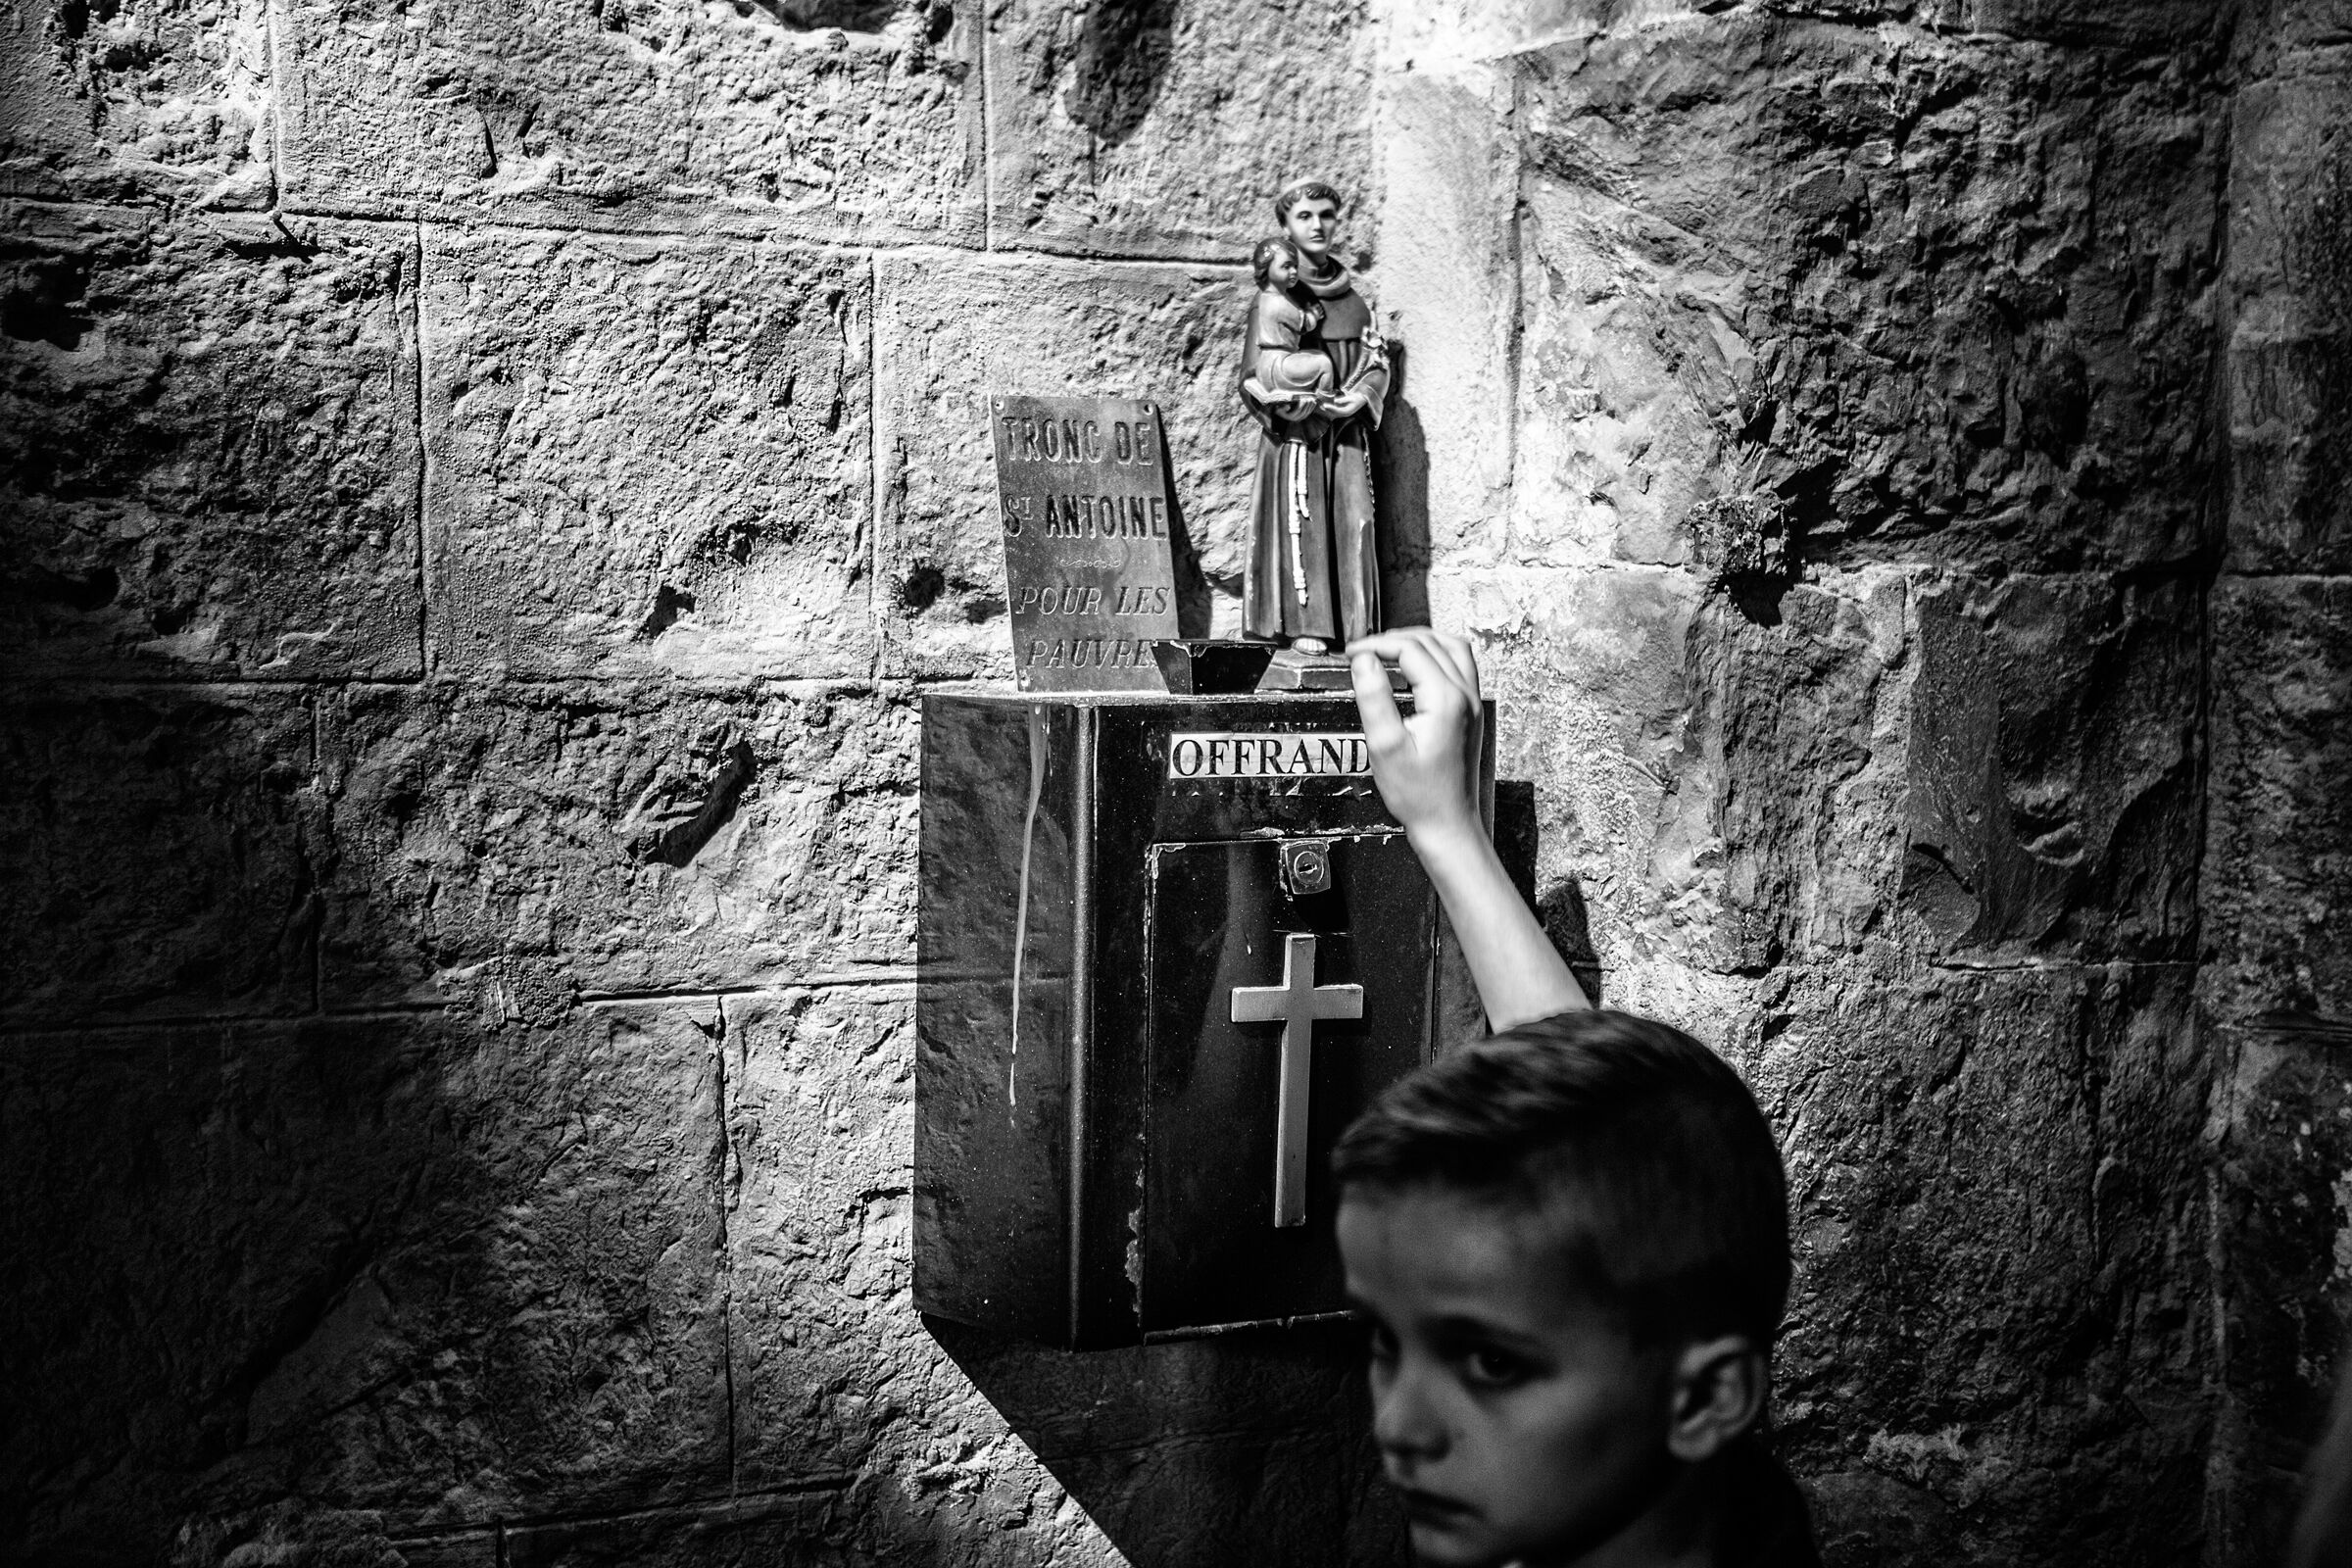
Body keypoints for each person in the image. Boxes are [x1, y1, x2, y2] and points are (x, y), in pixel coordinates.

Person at [1337, 627, 1823, 1568]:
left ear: (1705, 1398)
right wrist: (1446, 826)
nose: (1399, 1427)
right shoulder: (1684, 1502)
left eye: (1491, 1363)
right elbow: (1593, 1145)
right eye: (1385, 1343)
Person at [1240, 177, 1392, 656]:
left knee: (1357, 522)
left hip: (1347, 435)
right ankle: (1311, 625)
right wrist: (1289, 406)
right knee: (1301, 522)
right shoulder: (1276, 298)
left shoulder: (1354, 302)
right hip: (1297, 437)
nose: (1318, 225)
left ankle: (1359, 631)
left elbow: (1378, 366)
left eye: (1326, 214)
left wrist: (1362, 397)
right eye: (1304, 216)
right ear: (1285, 225)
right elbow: (1251, 374)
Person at [1245, 235, 1336, 415]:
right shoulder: (1280, 304)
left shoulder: (1264, 299)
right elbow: (1304, 325)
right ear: (1266, 269)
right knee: (1324, 363)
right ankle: (1325, 402)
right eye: (1286, 267)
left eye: (1295, 266)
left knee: (1314, 355)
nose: (1294, 271)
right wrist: (1314, 315)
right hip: (1281, 367)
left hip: (1265, 367)